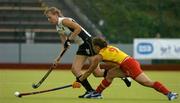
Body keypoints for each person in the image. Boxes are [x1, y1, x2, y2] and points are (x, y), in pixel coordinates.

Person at [44, 7, 131, 98]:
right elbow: (65, 45)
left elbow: (78, 29)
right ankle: (90, 90)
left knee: (96, 72)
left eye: (50, 17)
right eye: (47, 18)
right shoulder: (58, 28)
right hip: (82, 46)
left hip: (88, 42)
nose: (49, 20)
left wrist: (69, 39)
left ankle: (122, 74)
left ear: (56, 14)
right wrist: (58, 59)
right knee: (78, 70)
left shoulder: (64, 21)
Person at [79, 37, 178, 100]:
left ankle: (169, 93)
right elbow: (115, 64)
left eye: (93, 46)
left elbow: (90, 70)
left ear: (97, 46)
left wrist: (81, 80)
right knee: (110, 74)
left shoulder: (99, 56)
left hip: (129, 65)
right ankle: (97, 93)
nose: (93, 48)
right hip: (128, 62)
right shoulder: (109, 48)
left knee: (147, 83)